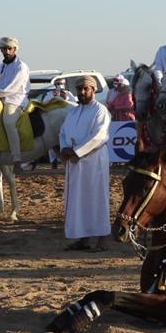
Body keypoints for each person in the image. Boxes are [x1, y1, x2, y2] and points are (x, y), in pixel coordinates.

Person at [58, 75, 112, 250]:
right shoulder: (73, 111)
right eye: (79, 89)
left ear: (93, 90)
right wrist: (65, 149)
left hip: (93, 161)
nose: (81, 92)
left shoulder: (100, 110)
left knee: (96, 198)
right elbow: (63, 132)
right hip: (73, 163)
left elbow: (99, 136)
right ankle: (83, 238)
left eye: (85, 89)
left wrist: (78, 152)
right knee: (77, 199)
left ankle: (103, 239)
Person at [0, 37, 30, 163]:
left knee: (8, 121)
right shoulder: (1, 67)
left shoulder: (21, 67)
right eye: (4, 48)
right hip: (1, 98)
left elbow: (11, 88)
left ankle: (17, 157)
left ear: (15, 49)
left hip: (16, 100)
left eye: (10, 48)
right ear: (0, 50)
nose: (7, 51)